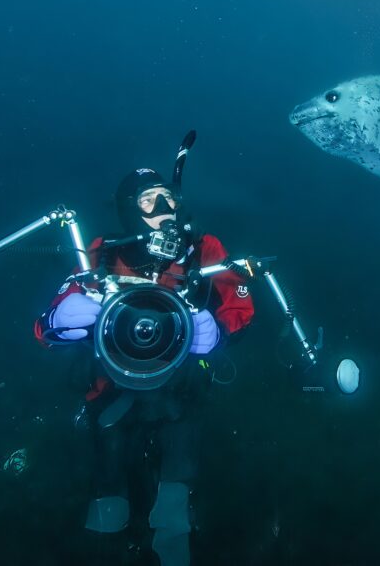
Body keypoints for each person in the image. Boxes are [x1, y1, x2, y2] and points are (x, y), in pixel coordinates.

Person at [33, 165, 254, 566]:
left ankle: (174, 543)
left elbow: (240, 306)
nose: (164, 207)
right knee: (108, 499)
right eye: (149, 200)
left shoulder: (202, 250)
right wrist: (58, 323)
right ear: (128, 210)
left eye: (168, 197)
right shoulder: (100, 252)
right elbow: (46, 325)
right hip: (112, 390)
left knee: (174, 505)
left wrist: (217, 332)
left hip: (180, 392)